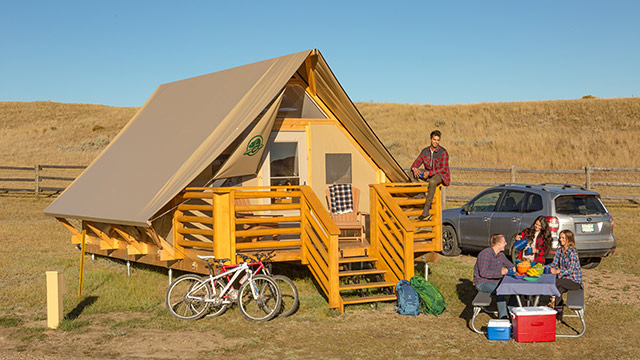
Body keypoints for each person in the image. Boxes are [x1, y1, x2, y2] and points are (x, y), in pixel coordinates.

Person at [410, 129, 450, 220]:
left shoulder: (443, 152)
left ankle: (427, 209)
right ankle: (420, 193)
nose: (436, 142)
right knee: (411, 172)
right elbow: (416, 163)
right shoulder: (425, 151)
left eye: (438, 140)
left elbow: (444, 169)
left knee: (432, 182)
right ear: (430, 139)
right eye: (434, 139)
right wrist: (415, 168)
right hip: (428, 174)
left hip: (440, 175)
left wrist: (430, 173)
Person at [473, 234, 516, 319]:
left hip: (496, 281)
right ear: (498, 244)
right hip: (482, 282)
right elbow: (483, 273)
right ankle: (503, 318)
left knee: (514, 287)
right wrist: (501, 272)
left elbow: (510, 265)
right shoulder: (485, 254)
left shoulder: (500, 254)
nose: (506, 243)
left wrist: (517, 268)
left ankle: (511, 312)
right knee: (500, 290)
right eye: (504, 242)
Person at [548, 229, 583, 321]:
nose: (560, 239)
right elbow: (554, 264)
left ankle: (551, 303)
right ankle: (558, 315)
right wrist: (544, 267)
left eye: (563, 238)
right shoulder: (559, 251)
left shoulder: (572, 252)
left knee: (555, 282)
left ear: (569, 239)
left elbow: (571, 269)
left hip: (574, 281)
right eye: (560, 237)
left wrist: (558, 271)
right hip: (565, 280)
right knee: (558, 290)